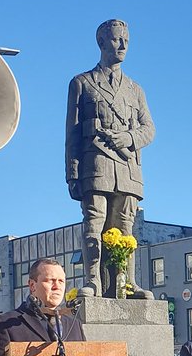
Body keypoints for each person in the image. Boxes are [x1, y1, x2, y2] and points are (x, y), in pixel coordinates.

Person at [65, 19, 156, 296]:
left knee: (125, 228)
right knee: (94, 221)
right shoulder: (82, 83)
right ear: (102, 43)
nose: (123, 45)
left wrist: (128, 138)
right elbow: (72, 132)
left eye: (126, 40)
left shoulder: (135, 89)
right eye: (117, 39)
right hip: (96, 164)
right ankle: (93, 279)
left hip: (128, 167)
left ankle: (126, 283)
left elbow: (149, 128)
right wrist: (72, 173)